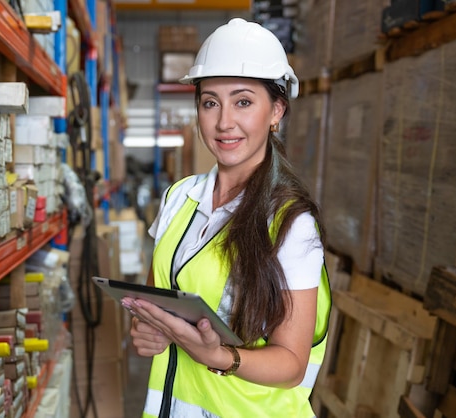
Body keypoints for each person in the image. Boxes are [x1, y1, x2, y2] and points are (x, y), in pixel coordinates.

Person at [121, 18, 332, 417]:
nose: (223, 122)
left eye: (244, 101)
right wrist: (149, 330)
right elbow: (159, 300)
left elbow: (291, 365)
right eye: (210, 102)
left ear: (277, 111)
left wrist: (220, 356)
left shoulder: (289, 223)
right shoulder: (178, 198)